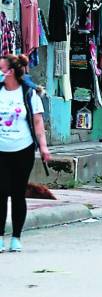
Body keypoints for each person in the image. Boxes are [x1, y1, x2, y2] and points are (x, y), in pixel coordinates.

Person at [0, 54, 51, 252]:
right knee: (1, 192)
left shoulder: (29, 94)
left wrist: (44, 147)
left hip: (23, 150)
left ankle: (16, 237)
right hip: (1, 151)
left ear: (10, 72)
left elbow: (38, 122)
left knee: (18, 193)